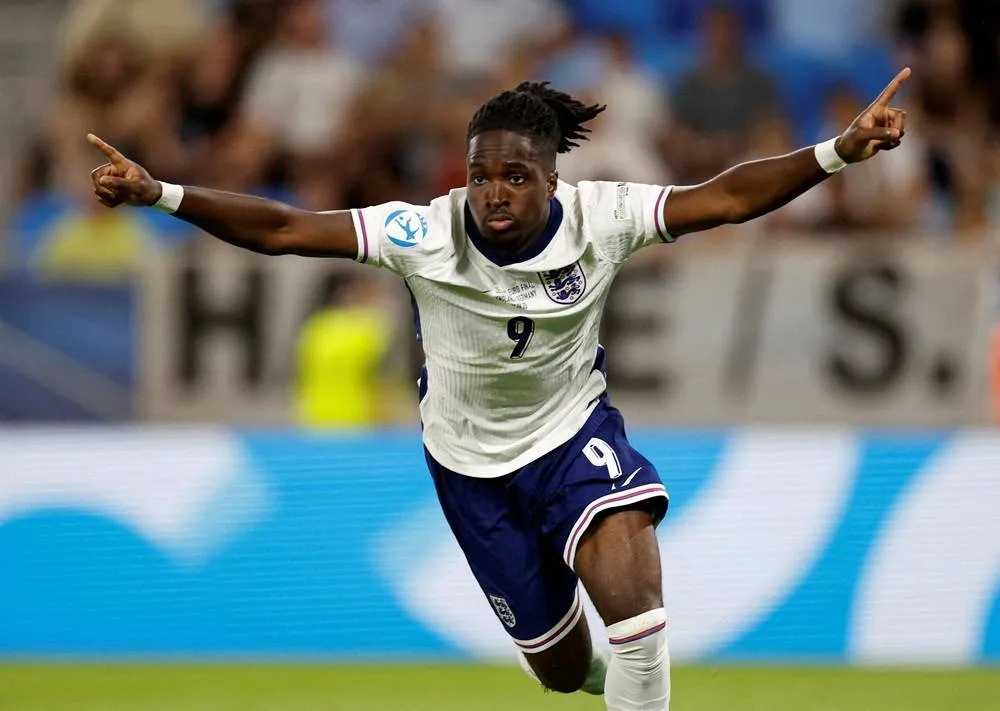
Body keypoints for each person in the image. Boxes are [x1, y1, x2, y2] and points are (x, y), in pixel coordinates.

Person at [86, 70, 910, 710]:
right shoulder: (424, 233)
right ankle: (597, 673)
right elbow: (285, 228)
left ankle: (635, 672)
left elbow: (724, 199)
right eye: (482, 176)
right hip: (470, 468)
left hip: (572, 437)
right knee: (562, 669)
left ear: (552, 179)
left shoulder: (603, 216)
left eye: (515, 177)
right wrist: (163, 194)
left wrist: (838, 150)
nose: (494, 193)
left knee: (637, 615)